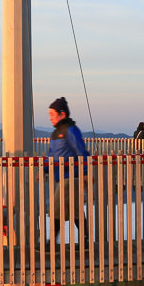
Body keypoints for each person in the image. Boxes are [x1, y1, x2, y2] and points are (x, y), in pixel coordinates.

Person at [46, 97, 90, 239]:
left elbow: (80, 151)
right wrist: (44, 169)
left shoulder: (70, 131)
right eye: (49, 115)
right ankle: (86, 239)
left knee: (57, 209)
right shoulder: (56, 133)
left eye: (52, 114)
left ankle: (51, 242)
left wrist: (84, 173)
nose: (50, 118)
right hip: (63, 177)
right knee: (75, 210)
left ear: (62, 114)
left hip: (70, 177)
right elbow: (52, 154)